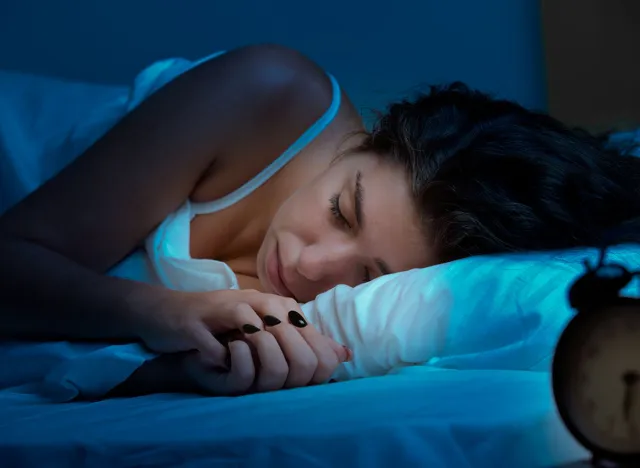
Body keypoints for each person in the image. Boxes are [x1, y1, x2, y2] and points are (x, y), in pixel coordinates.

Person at [1, 44, 639, 397]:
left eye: (366, 275)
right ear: (365, 140)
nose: (309, 266)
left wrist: (176, 369)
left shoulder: (325, 326)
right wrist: (168, 312)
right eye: (342, 208)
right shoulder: (267, 93)